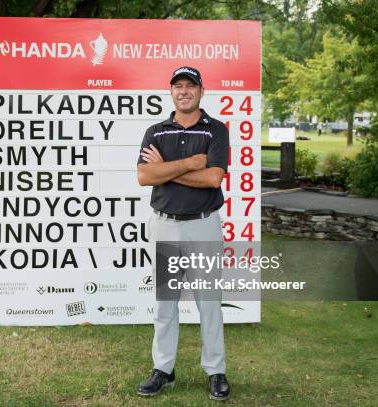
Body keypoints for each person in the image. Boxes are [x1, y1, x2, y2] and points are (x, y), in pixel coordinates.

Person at [135, 66, 231, 401]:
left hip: (203, 223)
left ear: (201, 92)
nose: (184, 91)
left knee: (209, 303)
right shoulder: (156, 131)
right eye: (178, 86)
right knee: (165, 302)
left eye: (191, 86)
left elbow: (213, 179)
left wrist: (167, 170)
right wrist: (191, 163)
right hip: (165, 223)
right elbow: (145, 177)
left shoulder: (216, 130)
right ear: (171, 91)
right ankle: (164, 369)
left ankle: (215, 371)